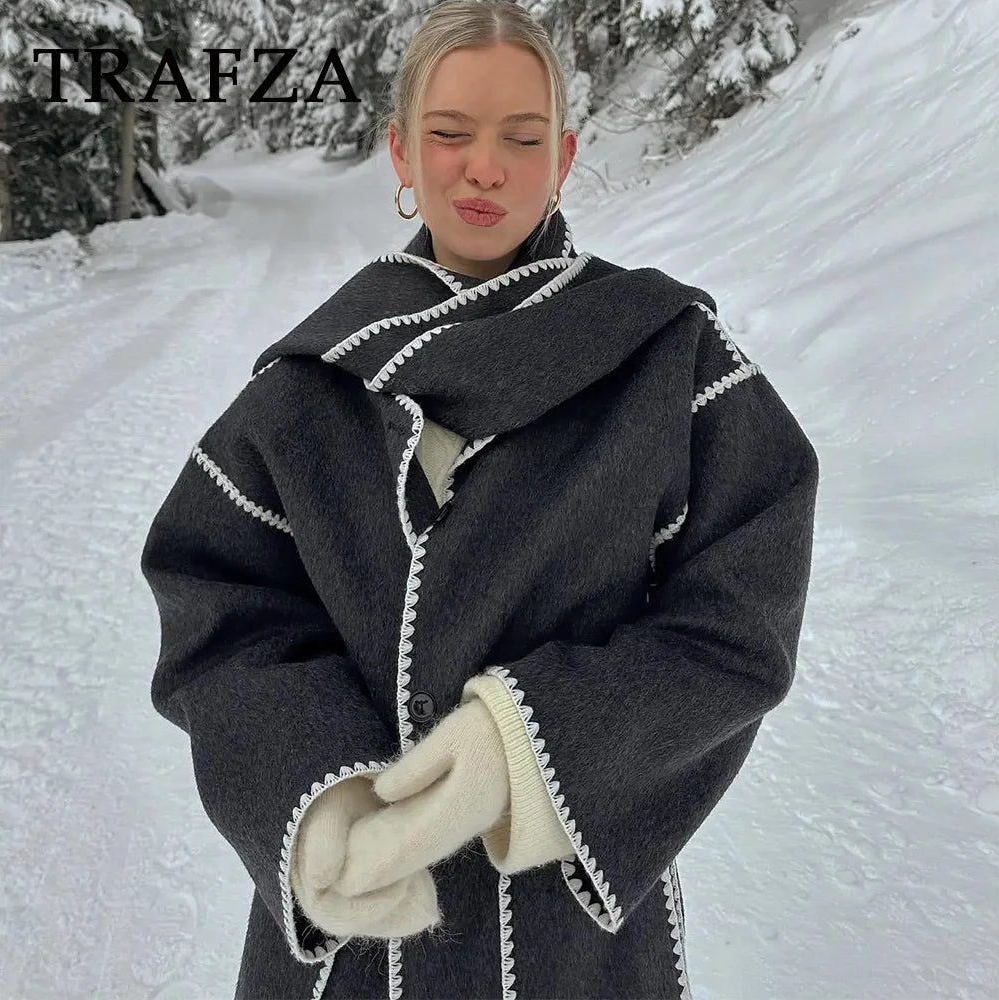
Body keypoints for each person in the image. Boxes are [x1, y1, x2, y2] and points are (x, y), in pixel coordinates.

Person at [140, 1, 820, 998]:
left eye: (522, 137)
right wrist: (317, 801)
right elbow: (221, 613)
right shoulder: (305, 388)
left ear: (566, 154)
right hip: (356, 935)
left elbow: (737, 622)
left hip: (576, 944)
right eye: (449, 135)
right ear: (401, 154)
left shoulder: (670, 362)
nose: (484, 168)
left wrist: (530, 753)